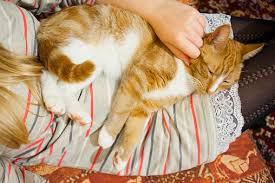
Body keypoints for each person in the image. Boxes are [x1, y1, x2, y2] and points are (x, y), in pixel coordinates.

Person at [0, 0, 274, 182]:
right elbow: (138, 84)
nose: (214, 90)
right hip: (129, 128)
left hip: (112, 37)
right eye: (219, 81)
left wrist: (156, 10)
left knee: (261, 38)